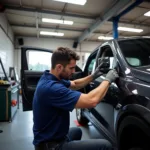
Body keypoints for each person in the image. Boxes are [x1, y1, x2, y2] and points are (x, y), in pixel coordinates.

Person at [33, 47, 119, 150]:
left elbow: (74, 84)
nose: (74, 71)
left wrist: (94, 75)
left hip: (51, 137)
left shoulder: (50, 77)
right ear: (59, 67)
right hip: (51, 147)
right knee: (106, 146)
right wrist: (108, 80)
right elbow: (92, 100)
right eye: (71, 68)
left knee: (77, 131)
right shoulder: (51, 88)